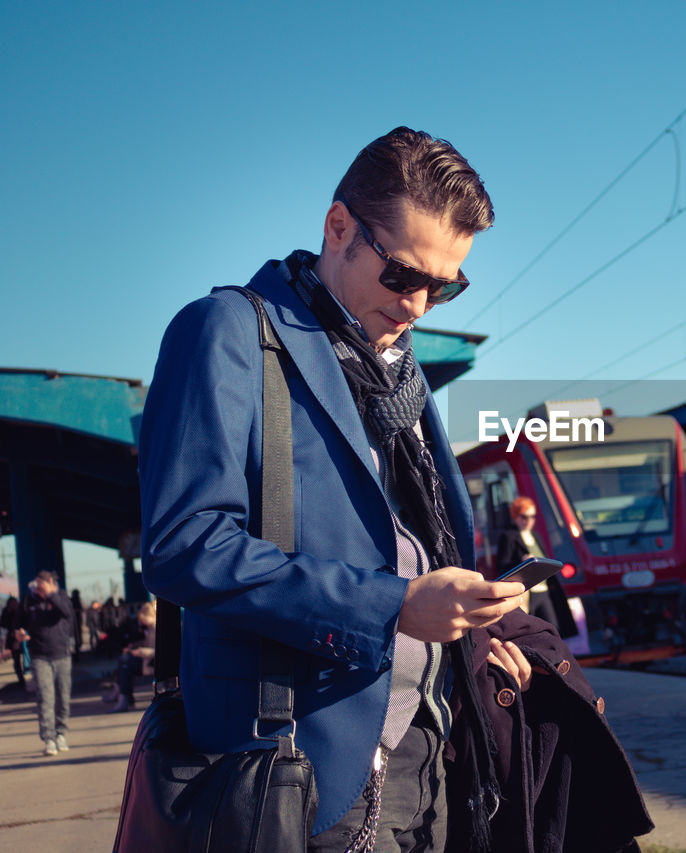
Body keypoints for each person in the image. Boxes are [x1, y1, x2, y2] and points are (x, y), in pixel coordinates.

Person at [139, 127, 532, 851]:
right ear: (339, 226)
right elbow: (184, 544)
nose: (419, 304)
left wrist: (479, 629)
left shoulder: (400, 373)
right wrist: (393, 607)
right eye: (403, 275)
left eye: (445, 286)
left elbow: (413, 540)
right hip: (298, 773)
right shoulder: (227, 332)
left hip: (432, 759)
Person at [494, 497, 576, 637]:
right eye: (524, 517)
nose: (528, 521)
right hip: (525, 592)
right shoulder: (508, 537)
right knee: (528, 633)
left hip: (544, 590)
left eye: (532, 516)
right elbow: (502, 567)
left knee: (553, 630)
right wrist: (522, 563)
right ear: (515, 516)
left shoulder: (536, 536)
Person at [16, 571, 74, 756]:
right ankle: (49, 738)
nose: (38, 589)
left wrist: (51, 595)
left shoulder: (61, 597)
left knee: (62, 697)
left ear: (51, 584)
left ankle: (61, 733)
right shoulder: (28, 601)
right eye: (37, 586)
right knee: (45, 698)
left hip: (61, 655)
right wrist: (19, 633)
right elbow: (18, 625)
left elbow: (67, 613)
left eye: (43, 585)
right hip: (39, 656)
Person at [103, 599, 155, 711]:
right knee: (124, 662)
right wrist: (133, 647)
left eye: (143, 619)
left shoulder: (155, 628)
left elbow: (157, 650)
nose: (142, 622)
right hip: (149, 660)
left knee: (125, 664)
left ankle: (123, 697)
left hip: (153, 663)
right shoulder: (151, 628)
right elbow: (147, 644)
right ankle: (123, 697)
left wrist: (139, 651)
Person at [2, 595, 26, 690]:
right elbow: (3, 623)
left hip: (23, 636)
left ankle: (27, 674)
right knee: (16, 659)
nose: (13, 605)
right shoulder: (6, 612)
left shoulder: (21, 610)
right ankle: (21, 679)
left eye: (14, 603)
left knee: (27, 657)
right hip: (13, 638)